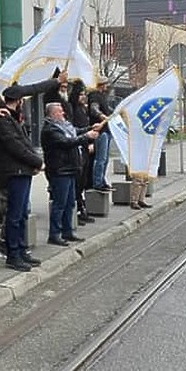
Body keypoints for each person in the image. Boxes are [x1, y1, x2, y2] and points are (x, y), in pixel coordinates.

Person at [0, 82, 55, 272]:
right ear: (18, 101)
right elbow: (16, 146)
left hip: (21, 171)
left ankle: (21, 249)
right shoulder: (3, 120)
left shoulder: (13, 119)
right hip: (13, 172)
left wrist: (33, 163)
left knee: (21, 215)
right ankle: (13, 253)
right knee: (14, 215)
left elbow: (24, 144)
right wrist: (36, 162)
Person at [40, 102, 98, 246]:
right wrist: (86, 136)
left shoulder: (65, 126)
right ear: (52, 114)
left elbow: (76, 132)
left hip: (70, 169)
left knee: (70, 203)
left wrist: (90, 128)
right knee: (59, 204)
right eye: (60, 111)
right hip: (60, 170)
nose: (63, 114)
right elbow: (66, 142)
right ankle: (54, 234)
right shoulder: (50, 130)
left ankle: (67, 231)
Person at [70, 85, 96, 224]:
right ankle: (77, 211)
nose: (83, 97)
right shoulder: (73, 109)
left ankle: (82, 209)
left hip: (85, 146)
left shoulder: (83, 109)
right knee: (78, 181)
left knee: (83, 180)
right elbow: (76, 130)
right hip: (79, 147)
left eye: (84, 94)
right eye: (80, 94)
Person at [89, 76, 114, 191]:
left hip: (106, 130)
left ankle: (102, 180)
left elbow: (107, 109)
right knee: (101, 158)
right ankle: (97, 182)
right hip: (101, 130)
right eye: (105, 84)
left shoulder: (102, 96)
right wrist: (102, 116)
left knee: (105, 159)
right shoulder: (94, 95)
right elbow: (94, 109)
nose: (107, 86)